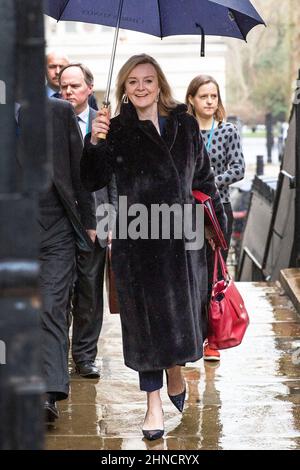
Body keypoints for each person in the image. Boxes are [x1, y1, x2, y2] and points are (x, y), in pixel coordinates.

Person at [80, 54, 226, 441]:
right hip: (137, 240)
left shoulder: (184, 122)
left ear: (159, 84)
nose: (141, 87)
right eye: (132, 82)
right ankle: (153, 405)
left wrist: (217, 228)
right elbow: (92, 178)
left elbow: (204, 177)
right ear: (124, 89)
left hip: (183, 239)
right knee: (145, 325)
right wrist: (94, 142)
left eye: (147, 80)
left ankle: (175, 371)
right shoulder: (116, 129)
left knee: (178, 321)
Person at [20, 98, 96, 422]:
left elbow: (81, 171)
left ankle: (48, 393)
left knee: (51, 305)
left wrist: (90, 220)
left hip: (55, 228)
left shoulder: (58, 111)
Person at [59, 63, 117, 378]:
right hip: (60, 221)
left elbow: (113, 179)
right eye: (63, 86)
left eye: (75, 86)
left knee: (90, 293)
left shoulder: (104, 124)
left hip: (96, 220)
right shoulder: (51, 120)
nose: (68, 91)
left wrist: (109, 222)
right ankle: (56, 355)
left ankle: (84, 356)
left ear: (89, 88)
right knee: (59, 292)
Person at [185, 75, 245, 362]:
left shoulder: (227, 131)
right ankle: (192, 335)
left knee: (213, 276)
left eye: (214, 96)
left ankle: (212, 339)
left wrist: (208, 185)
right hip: (186, 213)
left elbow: (239, 168)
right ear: (192, 100)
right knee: (189, 275)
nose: (210, 101)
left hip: (218, 210)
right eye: (204, 96)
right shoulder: (184, 130)